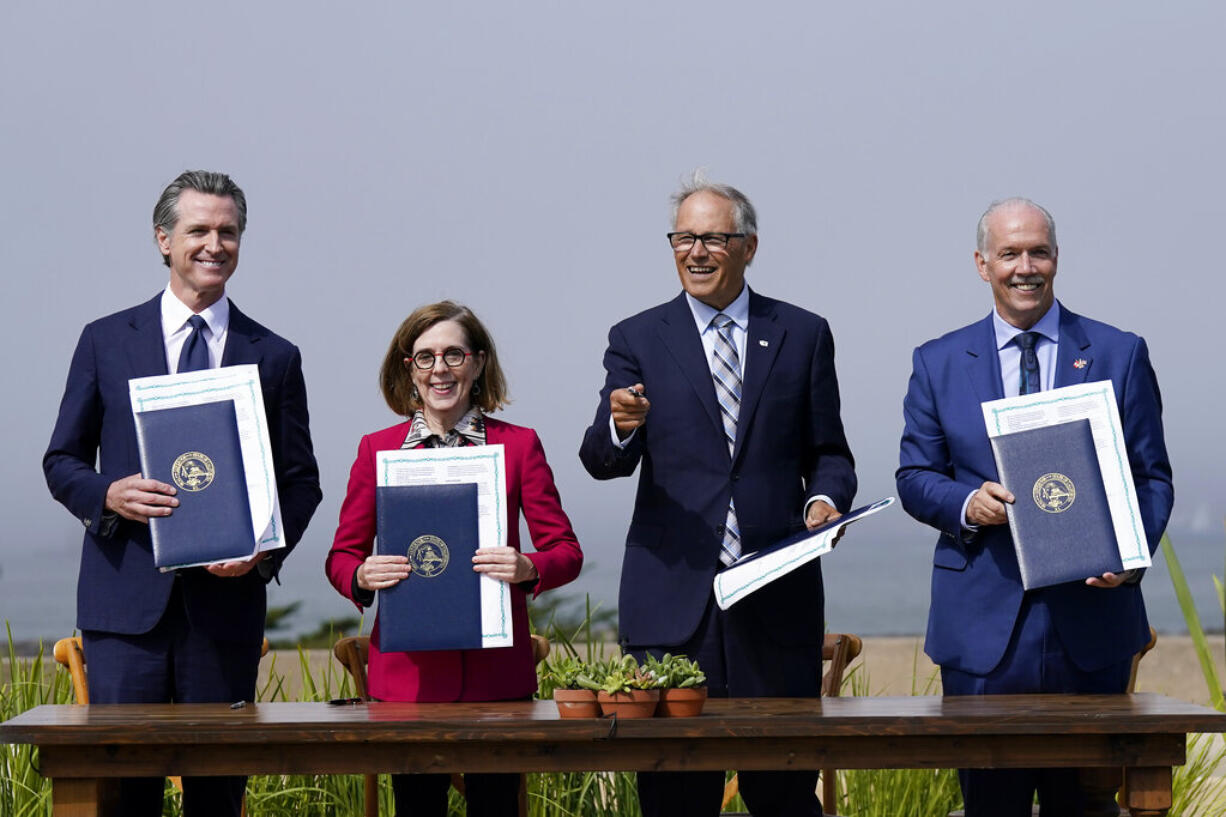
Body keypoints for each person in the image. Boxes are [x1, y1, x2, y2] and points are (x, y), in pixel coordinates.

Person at [43, 170, 323, 817]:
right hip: (124, 616)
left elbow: (301, 482)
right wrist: (108, 493)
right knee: (123, 793)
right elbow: (61, 460)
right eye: (199, 229)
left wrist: (264, 551)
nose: (214, 244)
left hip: (223, 613)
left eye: (228, 231)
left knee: (218, 791)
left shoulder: (274, 354)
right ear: (163, 238)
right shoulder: (105, 340)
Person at [579, 174, 856, 817]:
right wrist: (621, 426)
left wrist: (823, 504)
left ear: (749, 246)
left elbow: (830, 454)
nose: (696, 251)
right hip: (672, 608)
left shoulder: (803, 333)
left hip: (775, 601)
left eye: (712, 238)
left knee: (784, 794)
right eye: (683, 237)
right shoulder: (637, 338)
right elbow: (600, 460)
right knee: (674, 797)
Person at [896, 197, 1174, 817]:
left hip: (1093, 625)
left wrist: (1132, 554)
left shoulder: (1118, 352)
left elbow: (1151, 478)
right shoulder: (937, 361)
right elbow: (915, 476)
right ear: (981, 264)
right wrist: (968, 502)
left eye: (1038, 251)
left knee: (1088, 808)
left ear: (1056, 259)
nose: (1026, 267)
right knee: (990, 808)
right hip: (982, 636)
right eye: (1010, 253)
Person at [326, 301, 583, 817]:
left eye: (453, 354)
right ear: (408, 369)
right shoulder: (376, 450)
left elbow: (566, 552)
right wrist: (359, 574)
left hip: (497, 682)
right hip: (407, 684)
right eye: (424, 357)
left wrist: (529, 566)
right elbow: (341, 556)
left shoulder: (519, 446)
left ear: (479, 362)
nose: (439, 369)